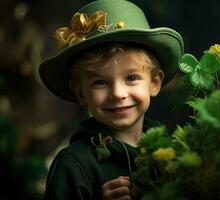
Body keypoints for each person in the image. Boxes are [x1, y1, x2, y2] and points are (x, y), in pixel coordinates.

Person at [39, 0, 183, 199]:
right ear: (80, 93)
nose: (117, 93)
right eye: (100, 82)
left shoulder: (173, 149)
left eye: (131, 78)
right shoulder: (73, 165)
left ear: (155, 82)